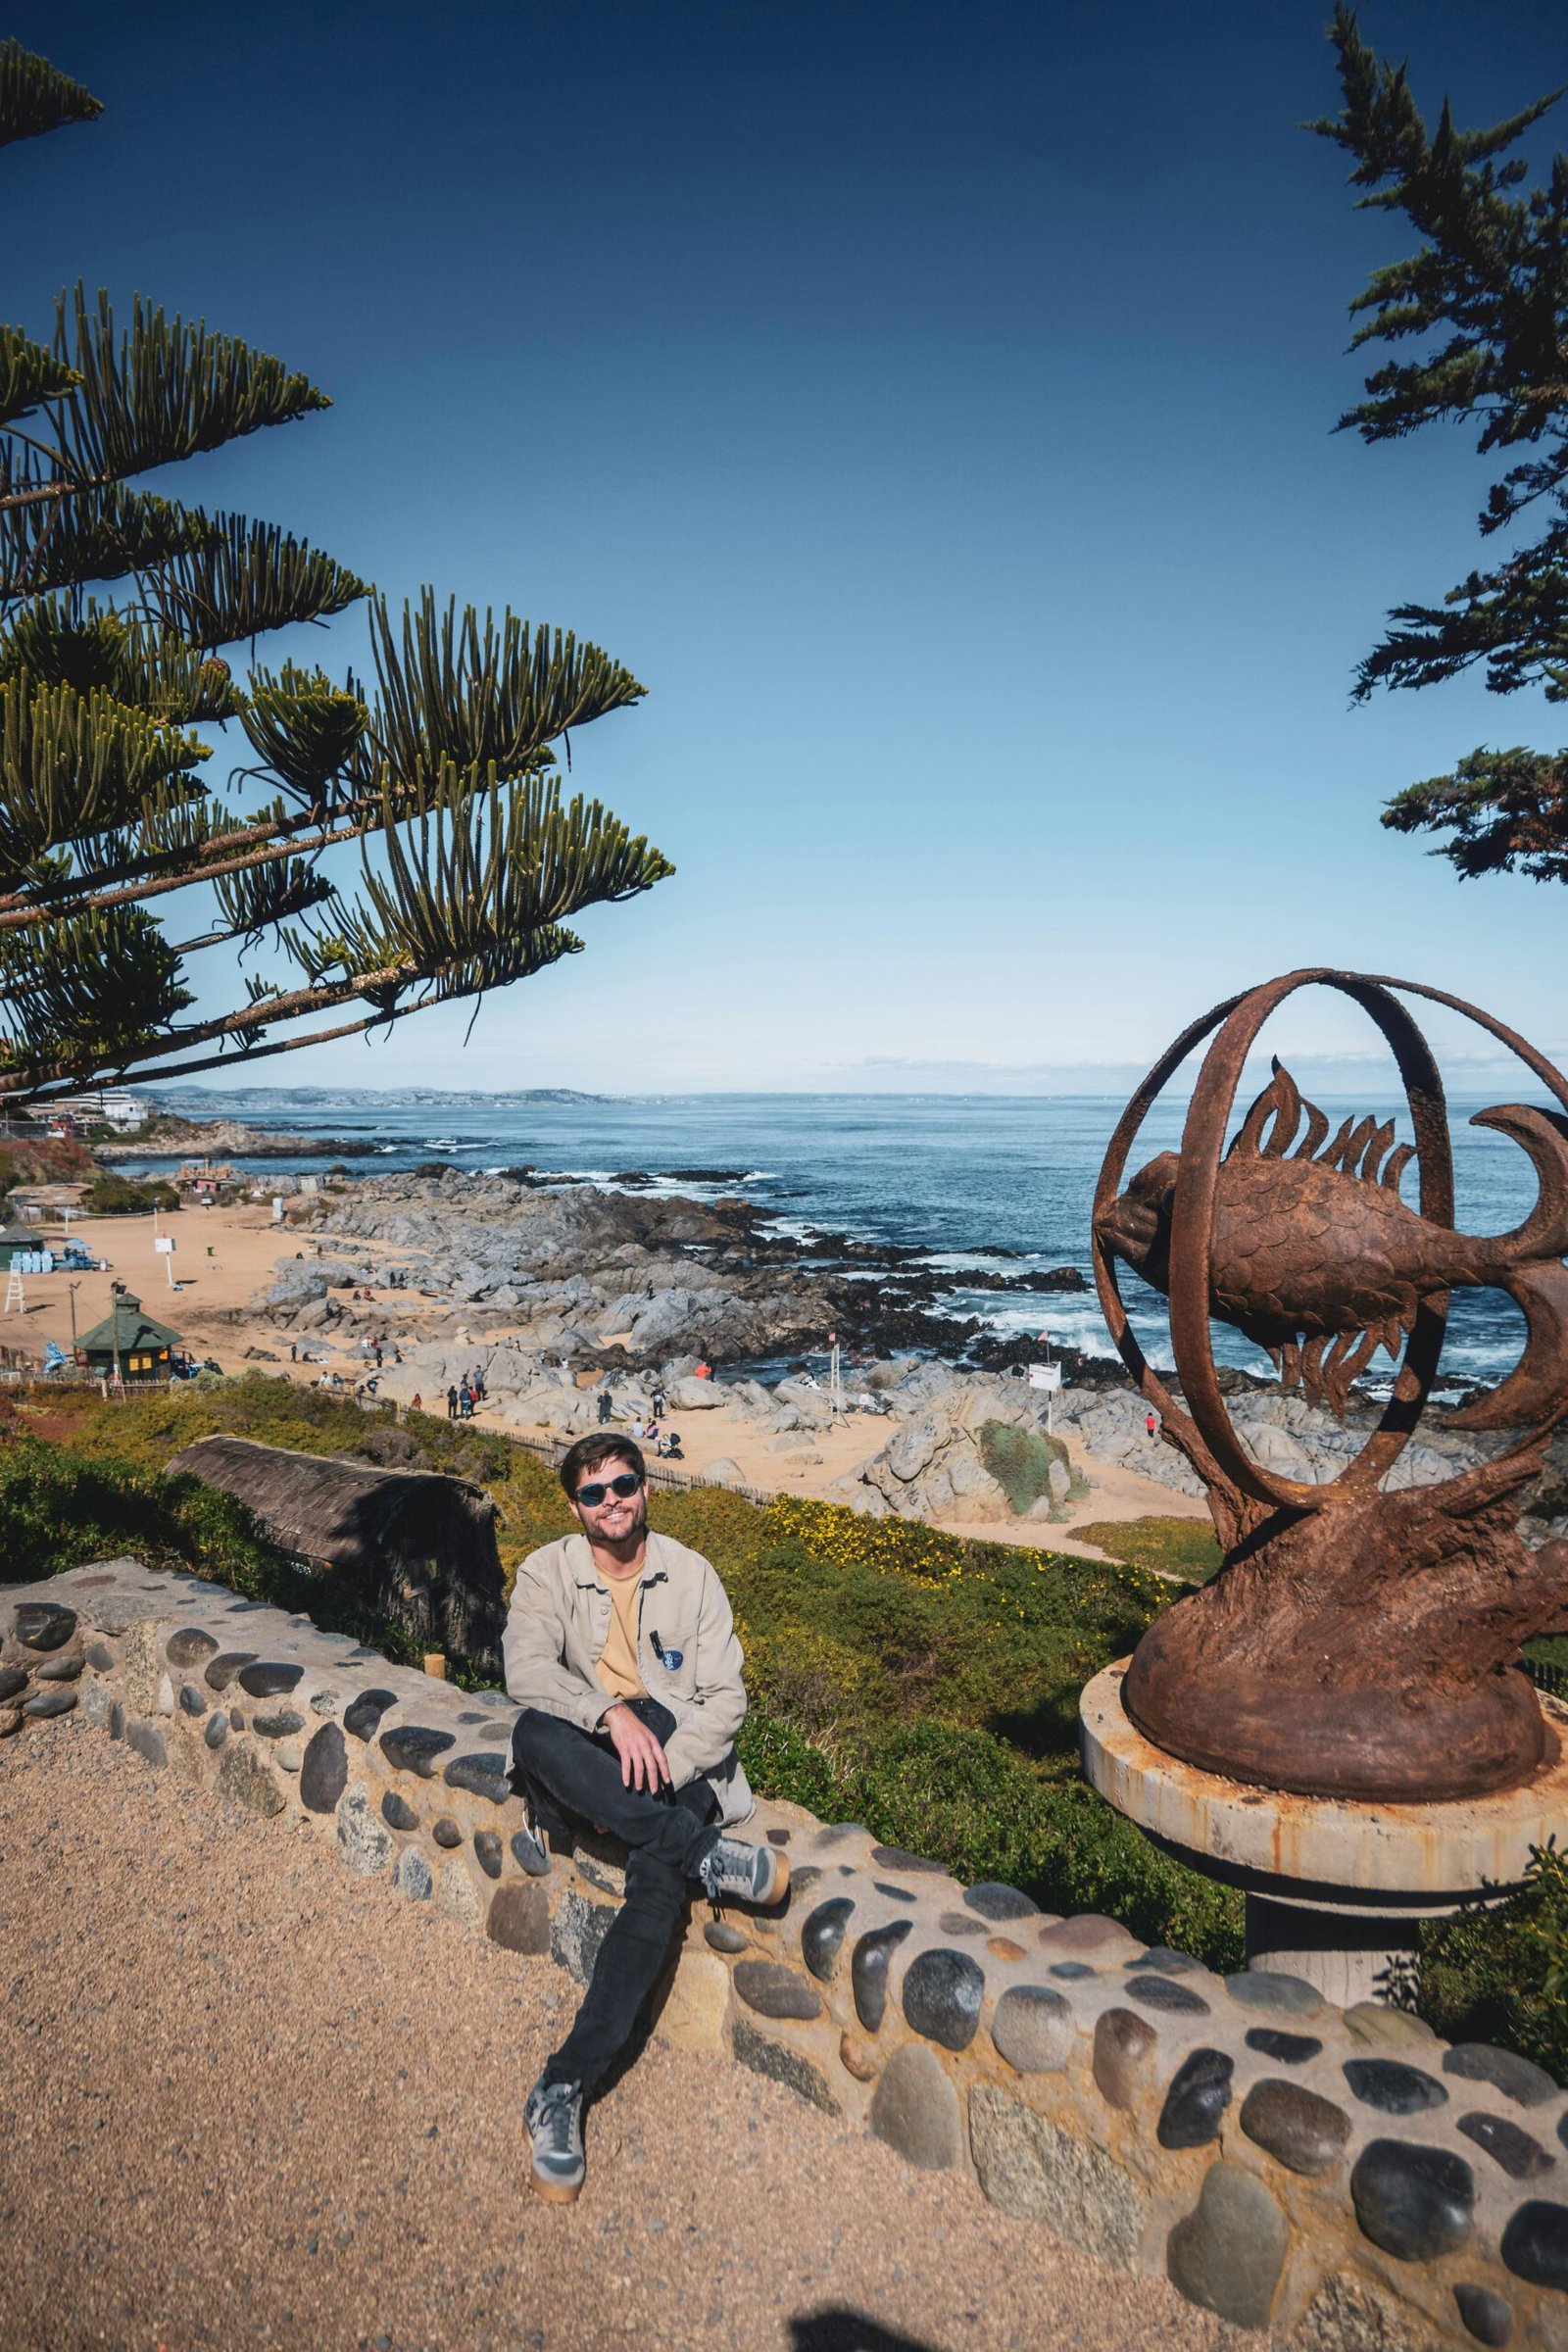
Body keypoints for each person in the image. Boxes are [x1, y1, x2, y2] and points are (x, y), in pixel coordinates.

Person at [504, 1434, 784, 2203]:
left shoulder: (693, 1576)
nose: (612, 1502)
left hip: (677, 1757)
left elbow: (724, 1702)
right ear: (575, 1506)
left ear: (646, 1488)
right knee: (533, 1734)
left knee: (657, 1887)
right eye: (594, 1493)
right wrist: (608, 1715)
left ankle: (562, 2086)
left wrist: (663, 1765)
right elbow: (525, 1670)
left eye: (623, 1485)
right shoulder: (546, 1572)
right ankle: (700, 1850)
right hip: (587, 1751)